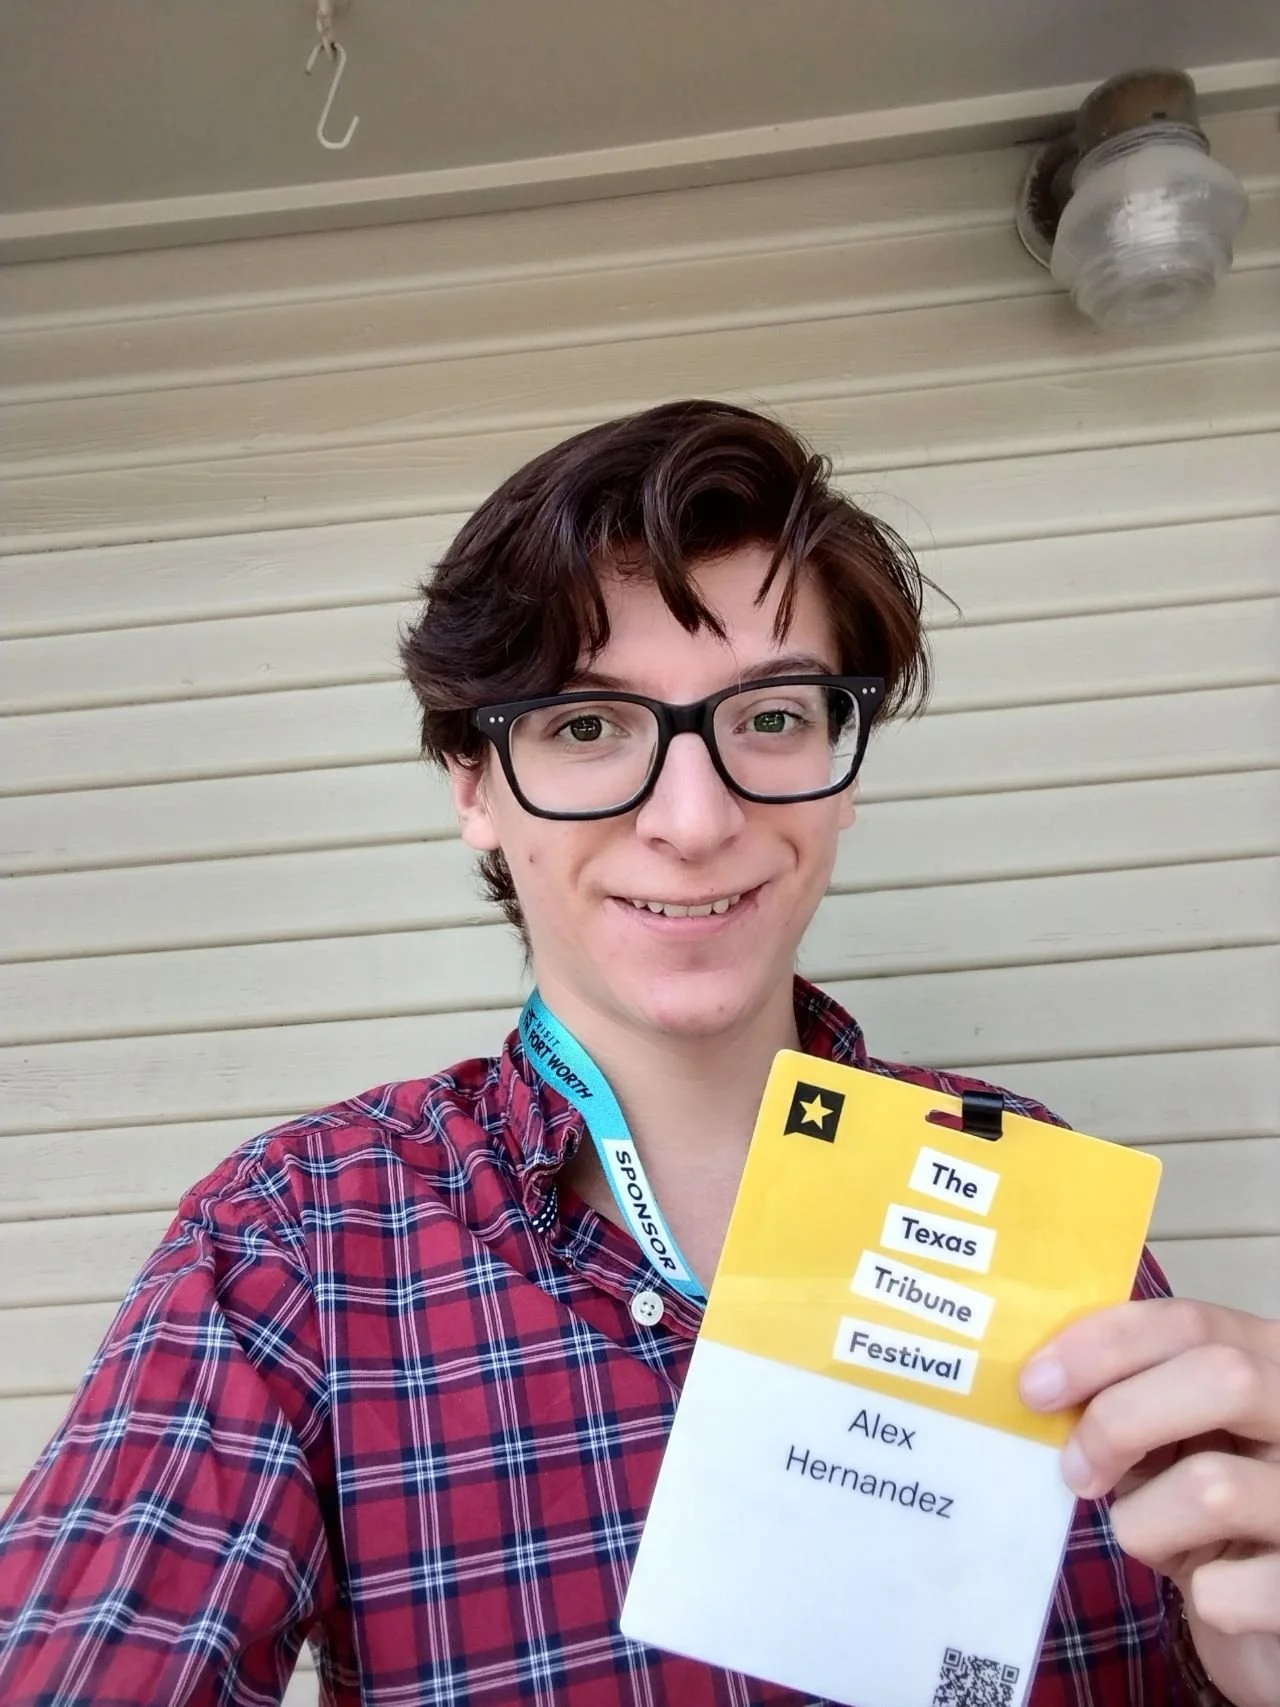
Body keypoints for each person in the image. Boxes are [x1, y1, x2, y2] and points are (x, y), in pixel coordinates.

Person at [0, 401, 1275, 1707]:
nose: (696, 817)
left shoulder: (1033, 1185)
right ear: (474, 788)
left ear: (843, 771)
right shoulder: (296, 1241)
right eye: (586, 726)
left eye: (773, 717)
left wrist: (1244, 1669)